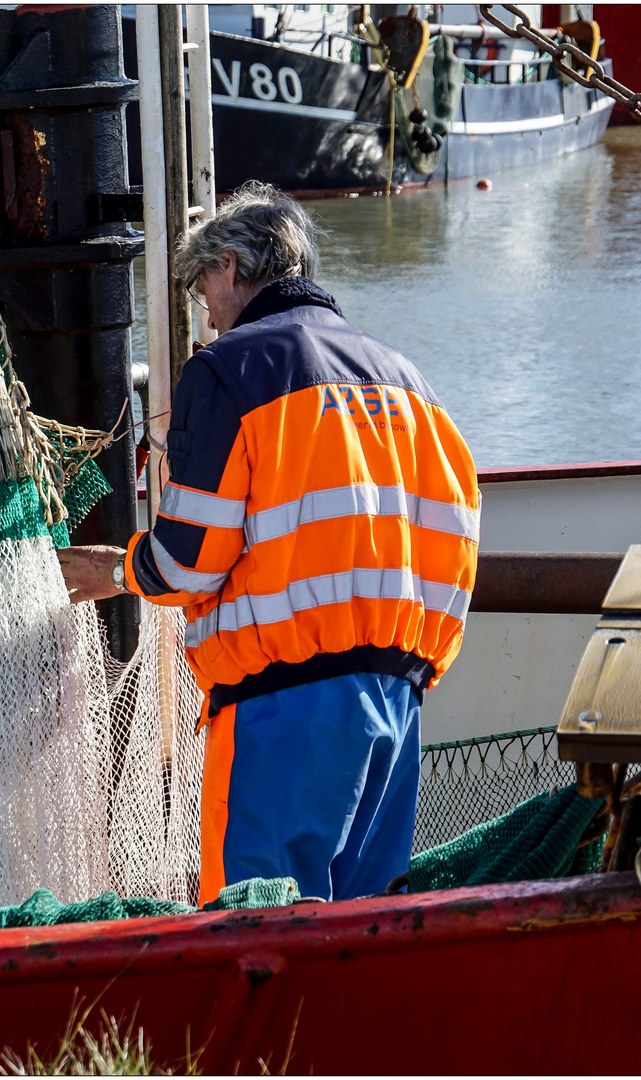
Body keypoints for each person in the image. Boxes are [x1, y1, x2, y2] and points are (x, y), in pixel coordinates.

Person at [58, 182, 478, 904]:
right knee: (366, 929)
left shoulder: (231, 370)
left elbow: (190, 562)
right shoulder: (410, 382)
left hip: (280, 709)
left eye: (203, 295)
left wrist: (118, 571)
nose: (209, 318)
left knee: (255, 927)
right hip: (396, 701)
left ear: (227, 267)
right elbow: (455, 542)